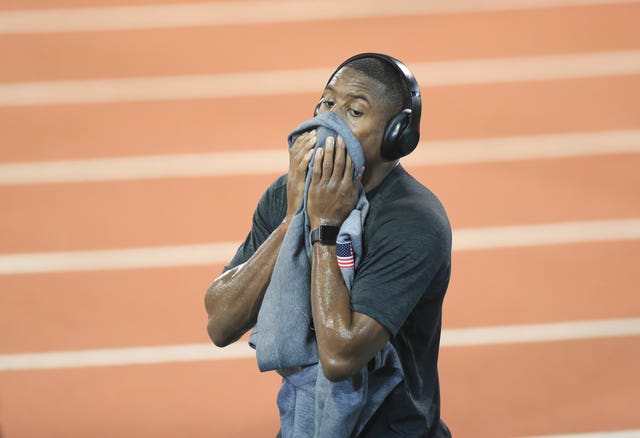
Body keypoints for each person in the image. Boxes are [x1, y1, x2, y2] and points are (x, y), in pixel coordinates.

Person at [205, 53, 452, 437]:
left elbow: (340, 355)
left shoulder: (413, 222)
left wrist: (323, 228)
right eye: (327, 102)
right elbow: (220, 323)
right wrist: (292, 221)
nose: (331, 120)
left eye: (354, 111)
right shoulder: (291, 193)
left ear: (396, 134)